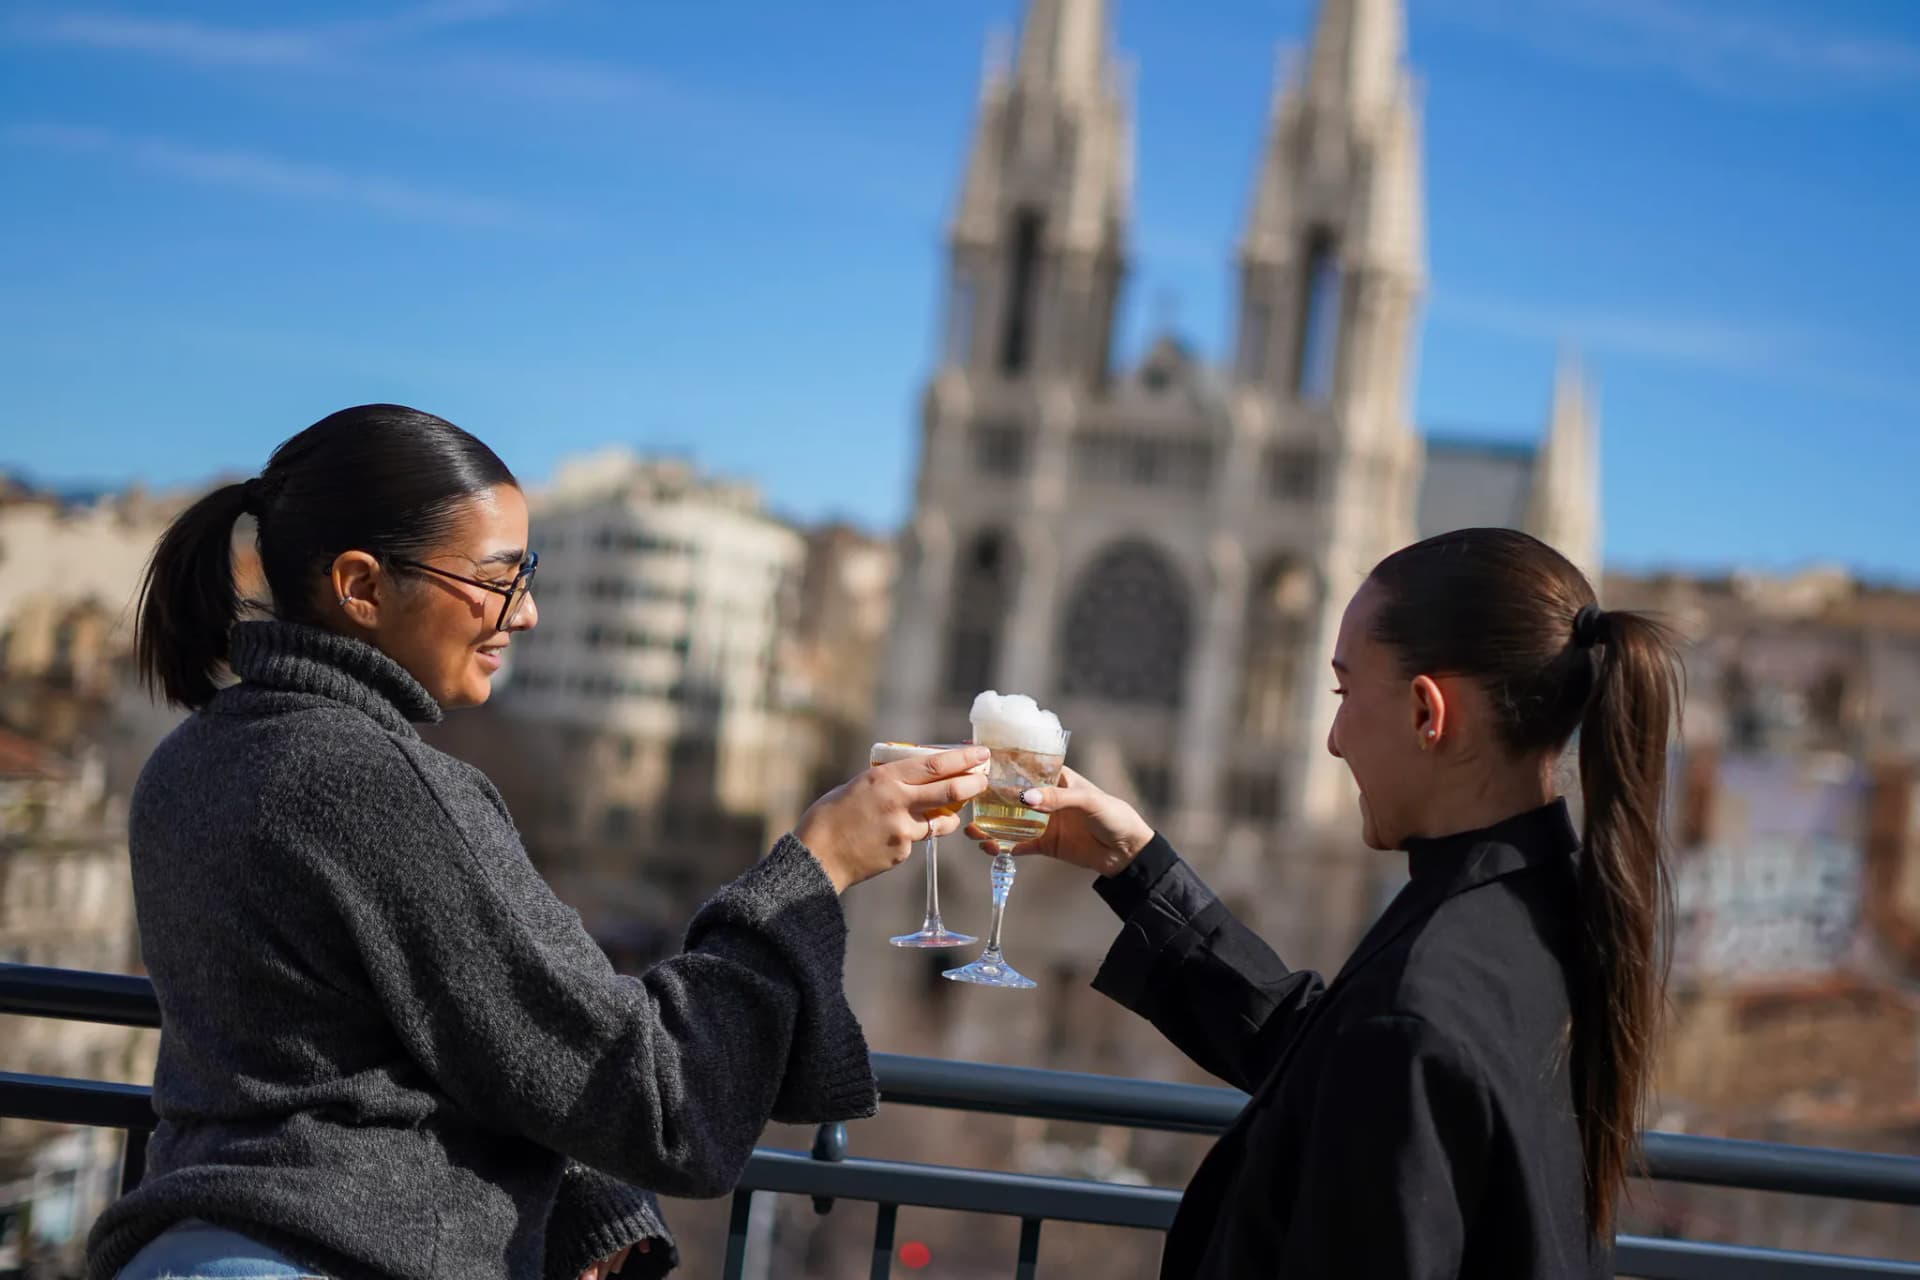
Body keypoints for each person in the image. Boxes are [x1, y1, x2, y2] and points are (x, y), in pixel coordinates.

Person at [90, 405, 990, 1280]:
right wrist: (817, 865)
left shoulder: (190, 757)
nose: (525, 615)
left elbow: (408, 1046)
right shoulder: (380, 786)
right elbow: (659, 1097)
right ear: (362, 586)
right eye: (497, 578)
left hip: (189, 1242)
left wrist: (579, 1195)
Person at [976, 528, 1681, 1279]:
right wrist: (1137, 868)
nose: (1335, 740)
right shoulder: (1542, 911)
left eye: (1344, 694)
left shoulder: (1425, 997)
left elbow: (1381, 1059)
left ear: (1426, 713)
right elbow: (1331, 1063)